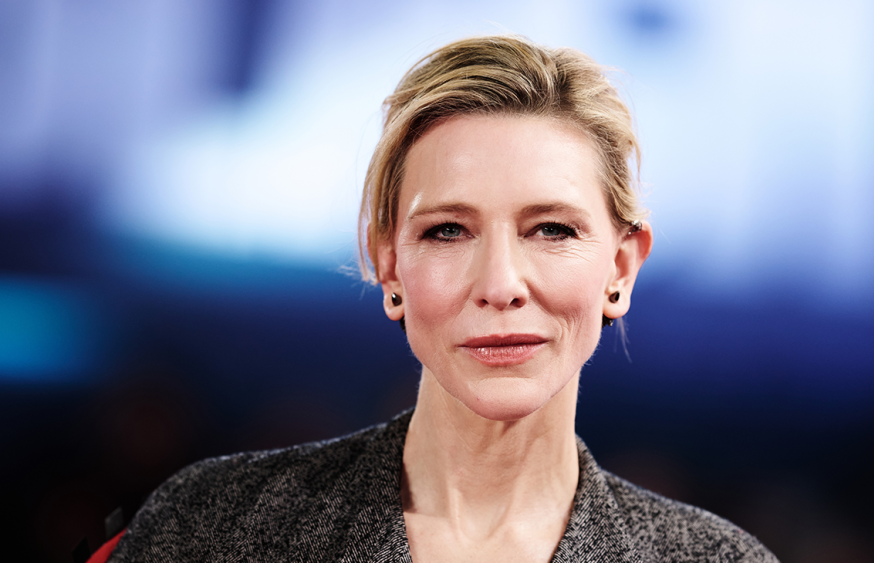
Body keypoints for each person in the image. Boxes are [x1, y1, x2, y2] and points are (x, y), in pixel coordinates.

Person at [102, 35, 778, 562]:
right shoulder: (214, 527)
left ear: (621, 267)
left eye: (552, 229)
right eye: (448, 231)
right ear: (388, 263)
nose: (501, 285)